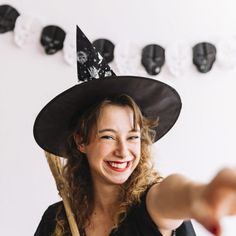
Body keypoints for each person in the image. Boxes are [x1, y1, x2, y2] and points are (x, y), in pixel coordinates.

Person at [33, 26, 236, 236]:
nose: (123, 151)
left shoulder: (149, 206)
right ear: (81, 141)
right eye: (108, 136)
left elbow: (171, 193)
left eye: (132, 137)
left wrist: (198, 196)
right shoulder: (57, 220)